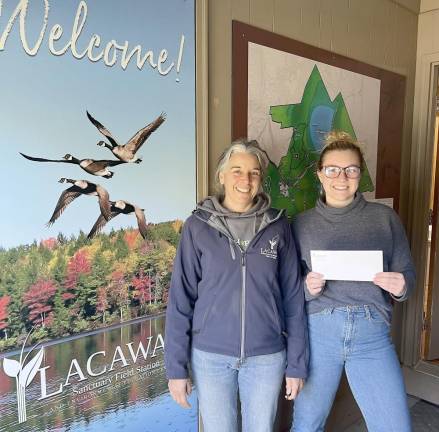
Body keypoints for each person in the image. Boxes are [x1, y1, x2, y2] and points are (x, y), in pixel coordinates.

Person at [165, 139, 308, 432]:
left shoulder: (278, 226)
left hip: (266, 357)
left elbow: (294, 298)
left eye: (254, 172)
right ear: (222, 176)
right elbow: (181, 299)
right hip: (210, 358)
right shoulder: (198, 226)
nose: (246, 180)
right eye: (237, 171)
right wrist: (176, 369)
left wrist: (296, 364)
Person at [291, 131, 415, 432]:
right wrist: (306, 289)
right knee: (307, 426)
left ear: (360, 174)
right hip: (318, 333)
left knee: (395, 427)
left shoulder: (384, 218)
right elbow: (288, 289)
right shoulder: (301, 224)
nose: (342, 178)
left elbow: (407, 273)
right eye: (333, 169)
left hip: (372, 335)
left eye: (351, 170)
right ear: (320, 174)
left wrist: (402, 287)